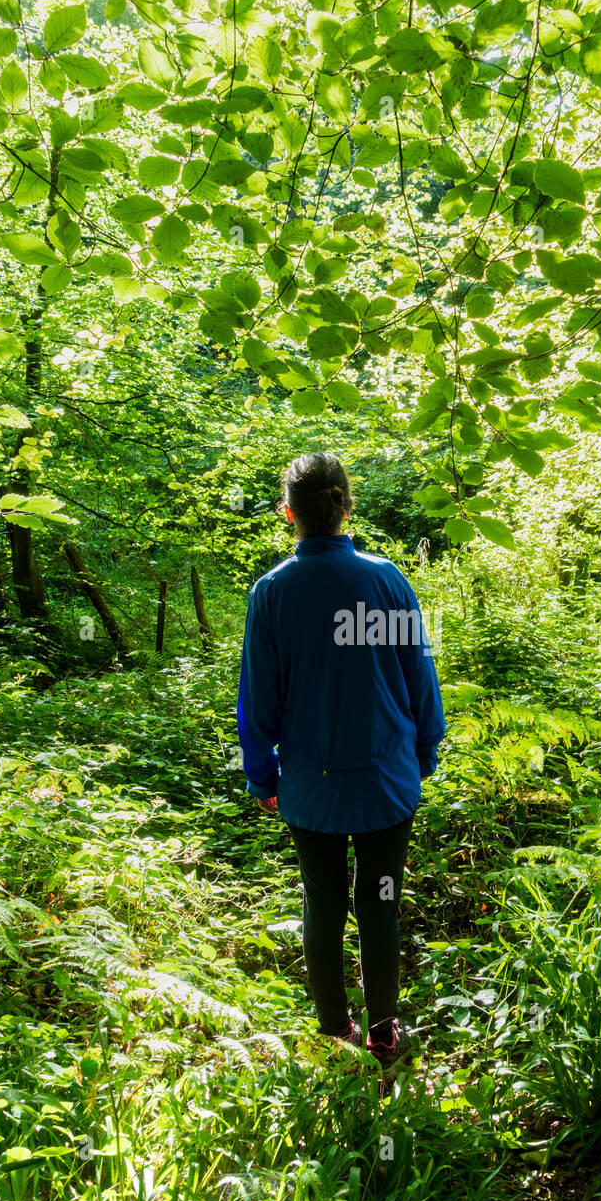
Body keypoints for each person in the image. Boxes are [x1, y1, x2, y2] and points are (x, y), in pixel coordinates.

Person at [237, 452, 445, 1070]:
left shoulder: (273, 591)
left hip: (309, 787)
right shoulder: (385, 581)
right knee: (379, 905)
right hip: (386, 781)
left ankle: (335, 1030)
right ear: (346, 508)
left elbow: (258, 697)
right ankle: (384, 1036)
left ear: (289, 512)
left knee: (321, 901)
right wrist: (424, 751)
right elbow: (419, 677)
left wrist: (261, 775)